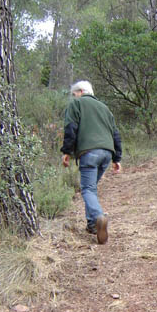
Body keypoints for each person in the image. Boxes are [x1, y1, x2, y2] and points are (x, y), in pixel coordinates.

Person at [61, 80, 122, 244]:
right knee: (91, 189)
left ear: (81, 92)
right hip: (107, 154)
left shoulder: (77, 104)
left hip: (89, 153)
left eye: (74, 94)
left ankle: (98, 217)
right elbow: (115, 134)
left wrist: (67, 151)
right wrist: (117, 159)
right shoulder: (105, 108)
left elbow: (70, 128)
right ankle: (92, 225)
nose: (74, 97)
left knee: (87, 189)